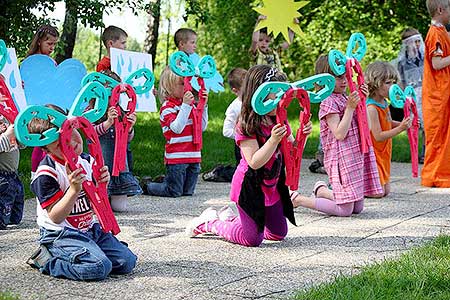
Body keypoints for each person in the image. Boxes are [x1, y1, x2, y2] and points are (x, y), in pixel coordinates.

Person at [185, 65, 313, 247]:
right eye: (275, 95)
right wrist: (273, 140)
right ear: (257, 94)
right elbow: (254, 161)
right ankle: (209, 223)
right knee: (252, 240)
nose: (280, 101)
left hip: (272, 187)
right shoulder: (246, 124)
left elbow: (292, 151)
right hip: (250, 188)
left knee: (278, 234)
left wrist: (303, 136)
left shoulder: (279, 119)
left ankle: (232, 219)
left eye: (282, 95)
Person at [27, 105, 137, 280]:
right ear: (46, 150)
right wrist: (73, 190)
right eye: (59, 145)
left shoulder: (87, 160)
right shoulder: (47, 173)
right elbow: (56, 217)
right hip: (60, 234)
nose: (70, 143)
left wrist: (103, 183)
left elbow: (94, 201)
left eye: (71, 134)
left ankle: (89, 251)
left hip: (88, 229)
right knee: (99, 268)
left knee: (127, 262)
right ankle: (47, 260)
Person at [294, 55, 384, 217]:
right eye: (337, 77)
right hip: (340, 159)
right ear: (324, 81)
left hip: (353, 156)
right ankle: (300, 200)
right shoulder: (329, 101)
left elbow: (367, 128)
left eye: (345, 76)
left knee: (357, 208)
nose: (343, 81)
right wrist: (350, 108)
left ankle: (321, 190)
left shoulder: (345, 97)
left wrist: (362, 102)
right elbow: (339, 133)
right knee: (345, 211)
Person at [141, 66, 208, 197]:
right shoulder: (168, 108)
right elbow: (177, 128)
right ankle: (147, 186)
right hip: (177, 158)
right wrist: (186, 106)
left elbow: (202, 127)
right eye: (182, 83)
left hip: (194, 156)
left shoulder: (190, 106)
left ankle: (166, 181)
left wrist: (203, 106)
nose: (187, 86)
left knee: (188, 192)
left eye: (187, 82)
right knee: (174, 191)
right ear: (169, 86)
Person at [91, 70, 142, 212]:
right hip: (102, 164)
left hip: (119, 167)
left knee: (120, 208)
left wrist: (130, 127)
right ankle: (99, 198)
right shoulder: (92, 112)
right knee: (101, 206)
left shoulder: (122, 111)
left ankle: (114, 194)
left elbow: (128, 140)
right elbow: (91, 133)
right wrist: (108, 123)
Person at [365, 61, 412, 197]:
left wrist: (404, 123)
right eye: (388, 83)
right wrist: (401, 128)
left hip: (384, 151)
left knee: (386, 191)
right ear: (375, 84)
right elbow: (378, 135)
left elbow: (388, 122)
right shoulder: (372, 108)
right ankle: (351, 189)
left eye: (393, 82)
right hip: (375, 153)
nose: (392, 87)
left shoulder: (384, 103)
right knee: (378, 193)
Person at [421, 0, 450, 187]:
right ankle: (434, 175)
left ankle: (442, 173)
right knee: (438, 136)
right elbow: (437, 63)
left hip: (442, 92)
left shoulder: (441, 31)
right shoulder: (434, 34)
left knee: (445, 134)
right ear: (440, 10)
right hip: (436, 95)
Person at [25, 24, 60, 178]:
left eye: (54, 44)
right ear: (39, 41)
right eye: (49, 43)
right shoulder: (30, 62)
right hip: (36, 106)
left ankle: (51, 170)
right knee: (40, 139)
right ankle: (35, 174)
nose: (52, 47)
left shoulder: (51, 62)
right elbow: (26, 82)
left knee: (51, 139)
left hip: (51, 106)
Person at [397, 28, 426, 163]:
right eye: (413, 42)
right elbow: (401, 80)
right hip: (411, 95)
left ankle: (425, 151)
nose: (416, 45)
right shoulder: (402, 61)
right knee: (415, 124)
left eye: (418, 41)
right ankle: (415, 151)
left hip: (426, 93)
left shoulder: (424, 57)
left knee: (428, 124)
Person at [0, 117, 24, 230]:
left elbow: (22, 144)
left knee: (17, 200)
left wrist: (18, 132)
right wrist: (6, 134)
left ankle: (12, 218)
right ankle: (2, 220)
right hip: (2, 175)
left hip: (14, 174)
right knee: (5, 200)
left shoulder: (6, 118)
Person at [223, 67, 247, 165]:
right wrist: (241, 135)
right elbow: (226, 131)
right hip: (243, 147)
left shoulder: (255, 102)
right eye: (246, 88)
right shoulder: (234, 107)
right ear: (235, 90)